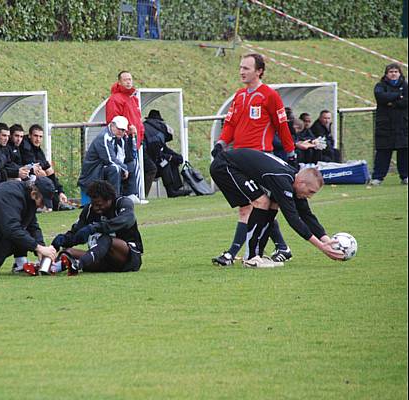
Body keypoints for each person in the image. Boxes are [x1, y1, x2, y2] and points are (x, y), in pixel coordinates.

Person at [210, 53, 297, 267]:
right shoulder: (239, 96)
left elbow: (281, 126)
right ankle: (282, 247)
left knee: (251, 206)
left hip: (260, 158)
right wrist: (222, 142)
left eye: (247, 68)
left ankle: (233, 253)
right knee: (258, 206)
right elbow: (229, 124)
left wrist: (290, 151)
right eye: (240, 67)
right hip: (238, 159)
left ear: (259, 71)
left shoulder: (270, 95)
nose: (242, 71)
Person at [210, 149, 345, 267]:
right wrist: (321, 247)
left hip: (236, 167)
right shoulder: (282, 181)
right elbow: (293, 219)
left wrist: (326, 240)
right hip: (224, 166)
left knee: (272, 205)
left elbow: (306, 214)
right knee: (262, 202)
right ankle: (251, 257)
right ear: (302, 183)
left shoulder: (293, 180)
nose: (310, 197)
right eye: (311, 192)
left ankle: (256, 255)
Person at [51, 180, 143, 275]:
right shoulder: (89, 211)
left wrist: (96, 227)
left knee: (107, 239)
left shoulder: (122, 203)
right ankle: (51, 267)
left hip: (127, 259)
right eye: (93, 204)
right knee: (67, 252)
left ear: (109, 199)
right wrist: (62, 240)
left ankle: (78, 264)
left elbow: (127, 219)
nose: (95, 208)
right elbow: (77, 234)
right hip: (101, 259)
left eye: (99, 205)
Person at [106, 71, 146, 201]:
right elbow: (113, 120)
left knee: (133, 165)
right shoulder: (115, 99)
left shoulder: (133, 98)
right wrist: (125, 133)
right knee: (127, 165)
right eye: (125, 80)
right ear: (119, 82)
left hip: (134, 138)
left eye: (130, 79)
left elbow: (137, 119)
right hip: (124, 138)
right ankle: (129, 194)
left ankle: (132, 194)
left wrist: (140, 133)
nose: (128, 82)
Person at [77, 116, 134, 197]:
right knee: (115, 168)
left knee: (130, 165)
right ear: (112, 125)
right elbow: (110, 159)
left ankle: (130, 195)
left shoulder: (120, 139)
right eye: (120, 129)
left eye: (123, 130)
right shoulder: (104, 137)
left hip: (102, 170)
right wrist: (124, 168)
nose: (122, 132)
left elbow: (123, 158)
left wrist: (125, 168)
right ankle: (114, 198)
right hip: (92, 174)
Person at [370, 63, 408, 185]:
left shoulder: (405, 86)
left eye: (396, 71)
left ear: (400, 73)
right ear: (386, 74)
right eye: (391, 71)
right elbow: (381, 97)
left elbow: (405, 102)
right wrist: (397, 96)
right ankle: (377, 177)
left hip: (402, 124)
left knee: (404, 151)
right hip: (385, 125)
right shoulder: (380, 86)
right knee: (383, 151)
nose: (393, 74)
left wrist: (392, 102)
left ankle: (405, 176)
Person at [20, 124, 72, 210]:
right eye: (35, 136)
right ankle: (51, 204)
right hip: (26, 177)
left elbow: (48, 169)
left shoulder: (38, 150)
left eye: (40, 137)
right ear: (29, 136)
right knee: (41, 175)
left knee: (48, 171)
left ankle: (59, 199)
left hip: (34, 177)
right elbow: (35, 168)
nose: (38, 139)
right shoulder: (25, 147)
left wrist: (60, 191)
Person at [142, 109, 190, 197]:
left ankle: (176, 189)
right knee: (164, 163)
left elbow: (162, 148)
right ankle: (171, 191)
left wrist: (175, 156)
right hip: (148, 165)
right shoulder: (158, 129)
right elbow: (157, 152)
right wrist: (170, 157)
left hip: (151, 162)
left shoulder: (151, 129)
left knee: (170, 161)